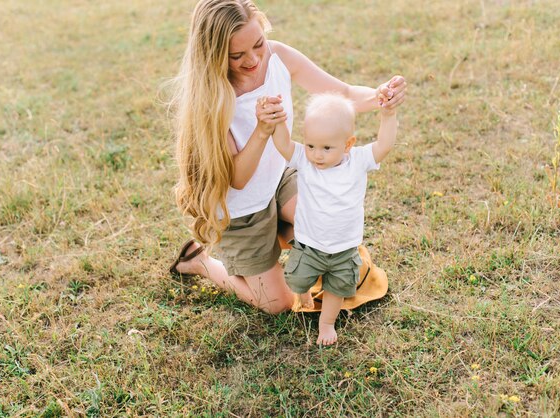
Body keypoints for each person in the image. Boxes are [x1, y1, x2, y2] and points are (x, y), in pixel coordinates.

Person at [167, 0, 406, 314]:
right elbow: (237, 178)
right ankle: (199, 262)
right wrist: (262, 130)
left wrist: (380, 96)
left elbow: (342, 94)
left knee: (337, 242)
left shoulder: (278, 56)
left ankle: (285, 231)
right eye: (237, 55)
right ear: (213, 54)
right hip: (242, 210)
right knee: (278, 304)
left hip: (280, 179)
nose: (253, 59)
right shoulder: (212, 99)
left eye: (258, 44)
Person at [269, 92, 398, 345]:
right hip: (308, 245)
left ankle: (326, 324)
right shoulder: (305, 162)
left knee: (337, 288)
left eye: (327, 148)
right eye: (310, 145)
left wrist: (388, 115)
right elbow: (284, 144)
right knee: (297, 278)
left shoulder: (358, 161)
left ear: (348, 144)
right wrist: (278, 120)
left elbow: (384, 145)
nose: (317, 155)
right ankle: (304, 294)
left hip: (344, 249)